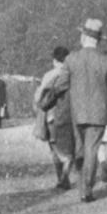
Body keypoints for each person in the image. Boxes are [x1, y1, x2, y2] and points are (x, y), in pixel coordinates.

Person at [51, 18, 107, 203]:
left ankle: (83, 185)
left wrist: (49, 97)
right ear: (98, 40)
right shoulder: (106, 61)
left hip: (77, 113)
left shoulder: (71, 59)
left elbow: (60, 85)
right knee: (92, 149)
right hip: (99, 113)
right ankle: (86, 189)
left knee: (81, 150)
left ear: (84, 37)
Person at [33, 45, 75, 190]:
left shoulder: (49, 75)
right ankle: (65, 175)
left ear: (55, 60)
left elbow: (39, 98)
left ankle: (61, 178)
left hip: (50, 117)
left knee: (54, 148)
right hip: (69, 116)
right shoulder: (73, 74)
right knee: (69, 148)